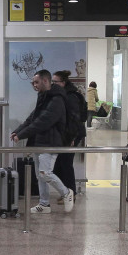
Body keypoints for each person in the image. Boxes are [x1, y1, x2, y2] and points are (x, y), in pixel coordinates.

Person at [11, 69, 74, 214]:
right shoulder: (44, 96)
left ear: (46, 81)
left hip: (50, 142)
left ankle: (66, 193)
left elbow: (42, 122)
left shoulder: (56, 99)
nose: (34, 85)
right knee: (40, 175)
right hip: (40, 141)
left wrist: (22, 135)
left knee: (45, 173)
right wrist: (18, 131)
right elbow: (32, 117)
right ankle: (44, 204)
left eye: (36, 82)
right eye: (32, 82)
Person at [52, 70, 85, 202]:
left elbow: (74, 119)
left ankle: (71, 192)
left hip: (71, 134)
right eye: (52, 81)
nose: (53, 84)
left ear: (63, 82)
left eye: (56, 82)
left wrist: (72, 138)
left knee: (65, 164)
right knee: (59, 165)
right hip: (65, 134)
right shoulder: (62, 94)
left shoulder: (70, 97)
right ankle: (66, 192)